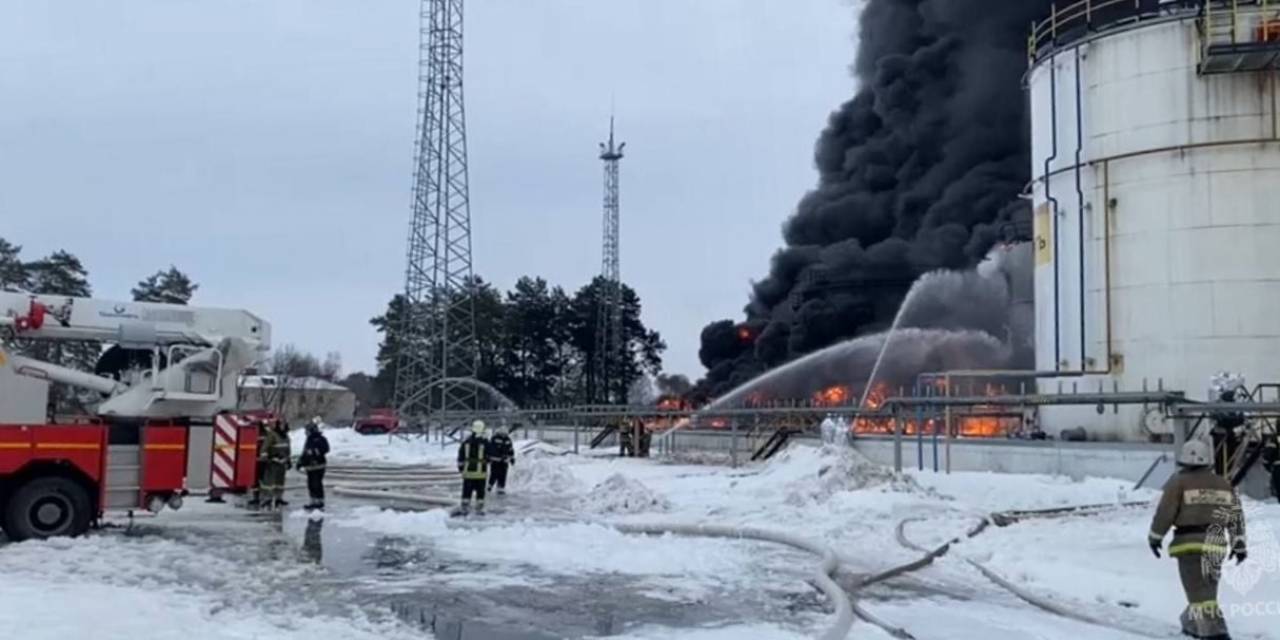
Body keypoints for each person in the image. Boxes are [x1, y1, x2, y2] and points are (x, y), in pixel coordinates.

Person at [1149, 439, 1247, 640]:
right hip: (1215, 546)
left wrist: (1155, 537)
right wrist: (1239, 545)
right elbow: (1236, 517)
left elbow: (1165, 512)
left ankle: (1214, 632)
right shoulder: (1224, 484)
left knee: (1198, 592)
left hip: (1189, 545)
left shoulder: (1178, 482)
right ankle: (1192, 624)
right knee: (1206, 589)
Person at [456, 420, 490, 515]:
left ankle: (465, 507)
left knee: (466, 491)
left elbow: (461, 456)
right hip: (481, 473)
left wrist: (461, 468)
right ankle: (479, 508)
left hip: (468, 473)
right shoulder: (485, 442)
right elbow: (491, 455)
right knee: (480, 492)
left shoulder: (466, 442)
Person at [297, 417, 330, 511]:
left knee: (317, 484)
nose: (306, 432)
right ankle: (313, 501)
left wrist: (316, 454)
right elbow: (305, 452)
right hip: (310, 468)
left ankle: (319, 501)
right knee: (311, 484)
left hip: (319, 466)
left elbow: (326, 449)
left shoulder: (320, 439)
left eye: (307, 430)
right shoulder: (309, 440)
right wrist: (300, 462)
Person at [261, 419, 292, 510]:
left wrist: (288, 460)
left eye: (284, 425)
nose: (283, 427)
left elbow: (288, 449)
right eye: (281, 425)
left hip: (282, 463)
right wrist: (267, 458)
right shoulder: (272, 435)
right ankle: (268, 499)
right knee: (269, 482)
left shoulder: (285, 436)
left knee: (280, 482)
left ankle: (279, 498)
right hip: (273, 462)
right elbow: (264, 448)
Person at [487, 426, 515, 495]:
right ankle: (489, 487)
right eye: (502, 434)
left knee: (503, 476)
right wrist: (498, 456)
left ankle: (501, 489)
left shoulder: (508, 439)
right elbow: (492, 449)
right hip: (496, 461)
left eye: (505, 434)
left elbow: (510, 449)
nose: (504, 435)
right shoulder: (495, 438)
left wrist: (511, 458)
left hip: (504, 462)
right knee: (494, 474)